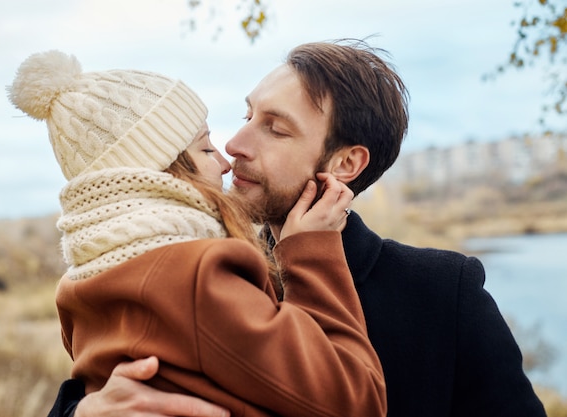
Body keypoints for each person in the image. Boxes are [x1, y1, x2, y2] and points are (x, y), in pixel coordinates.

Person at [46, 39, 548, 417]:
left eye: (275, 128)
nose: (236, 142)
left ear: (347, 163)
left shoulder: (442, 290)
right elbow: (89, 383)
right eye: (247, 114)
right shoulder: (169, 267)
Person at [8, 50, 388, 417]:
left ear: (347, 163)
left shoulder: (81, 285)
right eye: (206, 148)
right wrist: (312, 251)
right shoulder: (197, 274)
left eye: (275, 128)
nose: (230, 152)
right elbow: (359, 401)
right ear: (158, 177)